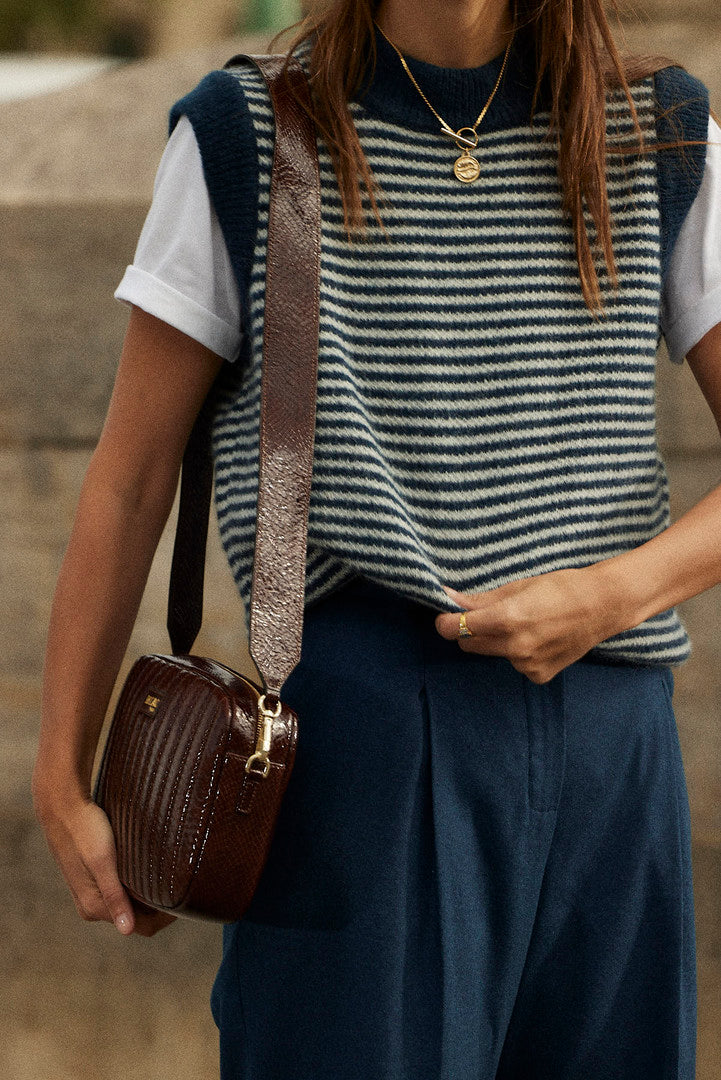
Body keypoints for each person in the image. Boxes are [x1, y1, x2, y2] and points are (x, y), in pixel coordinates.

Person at [32, 0, 721, 1076]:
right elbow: (128, 483)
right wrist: (57, 775)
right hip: (364, 750)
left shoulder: (656, 132)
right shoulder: (249, 132)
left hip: (611, 747)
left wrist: (614, 595)